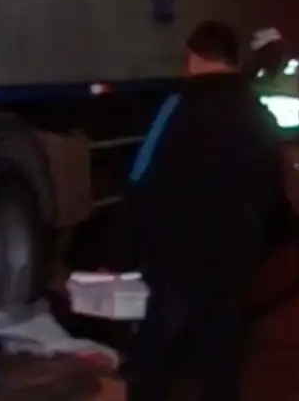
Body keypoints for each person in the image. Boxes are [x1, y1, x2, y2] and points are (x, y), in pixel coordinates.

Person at [105, 20, 282, 401]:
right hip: (235, 253)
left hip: (178, 254)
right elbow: (271, 186)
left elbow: (141, 180)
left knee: (154, 351)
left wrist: (119, 254)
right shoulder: (256, 112)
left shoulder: (177, 107)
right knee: (223, 350)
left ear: (194, 58)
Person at [248, 27, 299, 282]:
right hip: (266, 147)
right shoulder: (258, 78)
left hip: (294, 146)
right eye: (260, 53)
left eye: (266, 51)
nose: (263, 57)